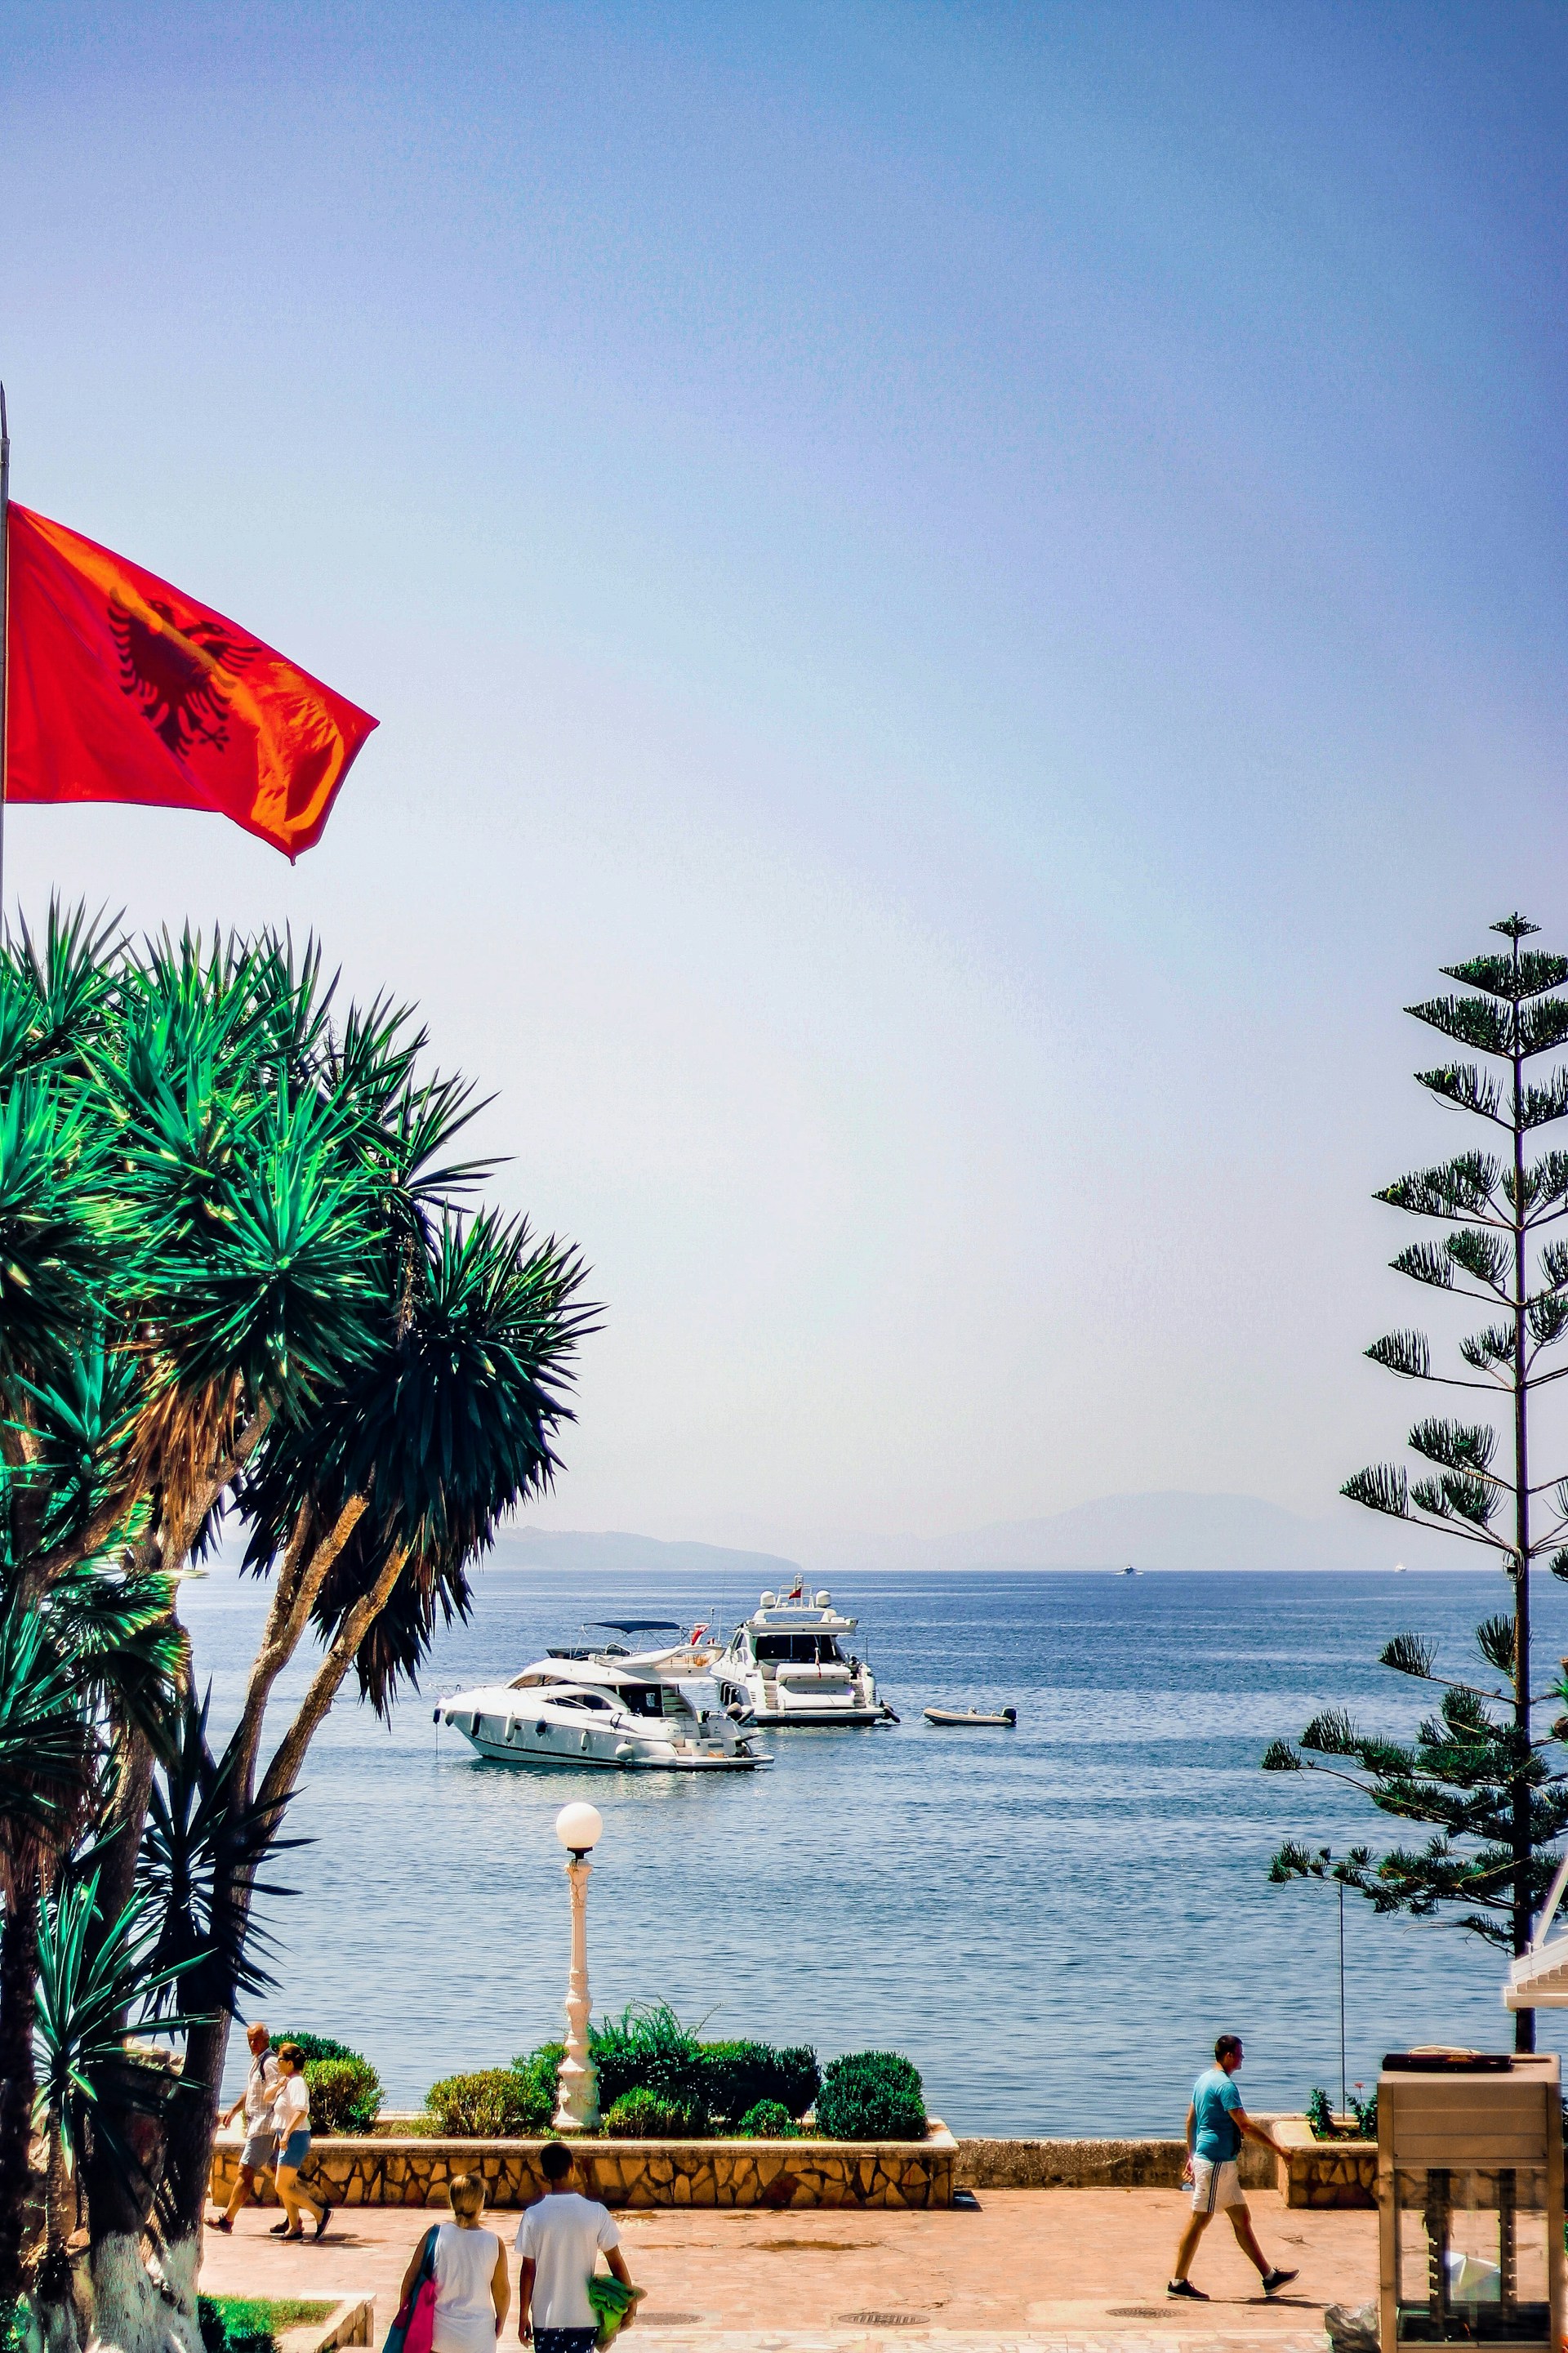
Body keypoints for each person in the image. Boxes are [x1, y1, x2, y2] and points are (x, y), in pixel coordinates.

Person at [1168, 2034, 1298, 2301]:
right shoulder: (1225, 2087)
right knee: (1199, 2219)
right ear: (1227, 2056)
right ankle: (1178, 2282)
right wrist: (1278, 2149)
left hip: (1217, 2163)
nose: (1242, 2059)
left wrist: (1191, 2155)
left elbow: (1190, 2120)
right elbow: (1245, 2125)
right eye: (1239, 2054)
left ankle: (1269, 2277)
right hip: (1215, 2163)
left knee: (1242, 2219)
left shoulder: (1203, 2080)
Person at [515, 2140, 638, 2353]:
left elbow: (528, 2270)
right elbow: (616, 2262)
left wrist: (523, 2315)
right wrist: (631, 2302)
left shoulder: (533, 2216)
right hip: (585, 2317)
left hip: (546, 2318)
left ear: (544, 2173)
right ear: (573, 2167)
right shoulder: (596, 2212)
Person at [396, 2175, 509, 2353]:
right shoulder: (494, 2243)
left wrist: (405, 2312)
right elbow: (502, 2292)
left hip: (440, 2337)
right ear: (481, 2202)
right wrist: (500, 2323)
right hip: (479, 2338)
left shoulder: (435, 2235)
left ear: (452, 2201)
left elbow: (410, 2279)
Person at [210, 2021, 281, 2232]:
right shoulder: (257, 2062)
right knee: (279, 2173)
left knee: (245, 2170)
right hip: (259, 2126)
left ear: (266, 2040)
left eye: (256, 2039)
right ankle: (302, 2217)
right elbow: (252, 2091)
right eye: (249, 2039)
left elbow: (279, 2093)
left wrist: (280, 2129)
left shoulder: (269, 2063)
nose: (252, 2043)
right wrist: (233, 2110)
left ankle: (227, 2219)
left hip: (264, 2127)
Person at [267, 2042, 333, 2242]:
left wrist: (286, 2134)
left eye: (279, 2058)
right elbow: (266, 2098)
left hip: (295, 2138)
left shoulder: (296, 2083)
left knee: (282, 2186)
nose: (277, 2061)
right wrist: (278, 2084)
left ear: (289, 2063)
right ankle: (295, 2227)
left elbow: (301, 2110)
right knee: (288, 2184)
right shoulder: (286, 2081)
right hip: (285, 2137)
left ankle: (321, 2214)